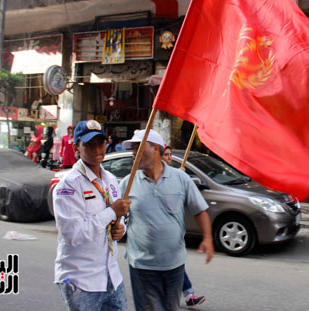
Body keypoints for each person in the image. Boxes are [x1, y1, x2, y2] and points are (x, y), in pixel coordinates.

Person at [121, 129, 213, 311]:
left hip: (174, 265)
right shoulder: (127, 183)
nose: (133, 153)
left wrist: (208, 238)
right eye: (132, 149)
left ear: (156, 149)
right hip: (141, 266)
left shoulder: (181, 178)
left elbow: (200, 210)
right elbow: (117, 219)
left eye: (138, 148)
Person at [53, 120, 131, 311]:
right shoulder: (69, 185)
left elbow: (118, 220)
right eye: (89, 144)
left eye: (101, 143)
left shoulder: (111, 180)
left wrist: (121, 228)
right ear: (76, 148)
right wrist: (112, 211)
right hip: (82, 280)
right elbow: (74, 235)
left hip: (111, 275)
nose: (97, 149)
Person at [162, 145, 206, 307]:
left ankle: (186, 294)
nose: (169, 158)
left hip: (174, 231)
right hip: (160, 235)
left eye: (170, 155)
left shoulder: (175, 176)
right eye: (166, 155)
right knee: (173, 265)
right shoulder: (154, 178)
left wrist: (181, 177)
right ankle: (188, 295)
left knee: (174, 264)